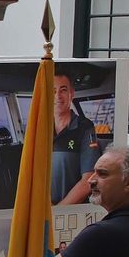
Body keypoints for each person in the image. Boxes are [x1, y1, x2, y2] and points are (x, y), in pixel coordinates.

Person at [51, 73, 101, 205]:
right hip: (41, 210)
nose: (57, 96)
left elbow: (89, 179)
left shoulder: (85, 127)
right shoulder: (38, 129)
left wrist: (59, 211)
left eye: (63, 90)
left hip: (71, 211)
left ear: (71, 94)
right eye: (53, 91)